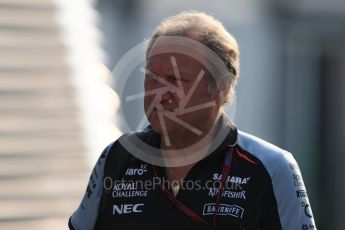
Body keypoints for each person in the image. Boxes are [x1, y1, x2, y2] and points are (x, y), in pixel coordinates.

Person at [69, 11, 316, 230]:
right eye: (152, 78)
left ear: (221, 88)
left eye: (176, 81)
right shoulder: (116, 158)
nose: (158, 93)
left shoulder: (272, 168)